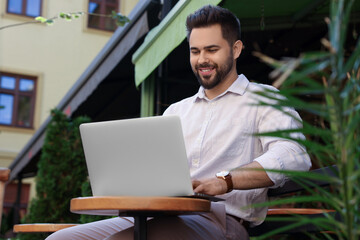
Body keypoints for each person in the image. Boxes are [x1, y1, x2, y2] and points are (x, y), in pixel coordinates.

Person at [46, 5, 311, 240]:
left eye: (212, 49)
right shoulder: (176, 111)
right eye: (195, 51)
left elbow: (293, 155)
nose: (202, 60)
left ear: (236, 48)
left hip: (218, 221)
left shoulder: (263, 98)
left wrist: (225, 180)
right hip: (155, 215)